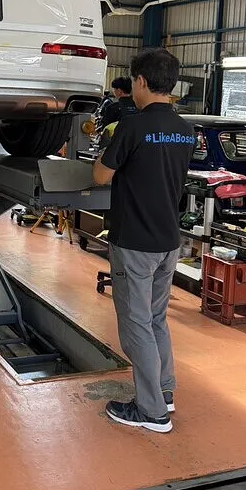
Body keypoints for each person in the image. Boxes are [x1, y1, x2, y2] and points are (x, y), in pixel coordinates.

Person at [92, 48, 194, 434]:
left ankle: (152, 412)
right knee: (155, 319)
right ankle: (164, 391)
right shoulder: (185, 128)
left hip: (135, 241)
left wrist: (104, 151)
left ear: (140, 81)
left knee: (136, 325)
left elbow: (101, 176)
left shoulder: (132, 127)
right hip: (168, 239)